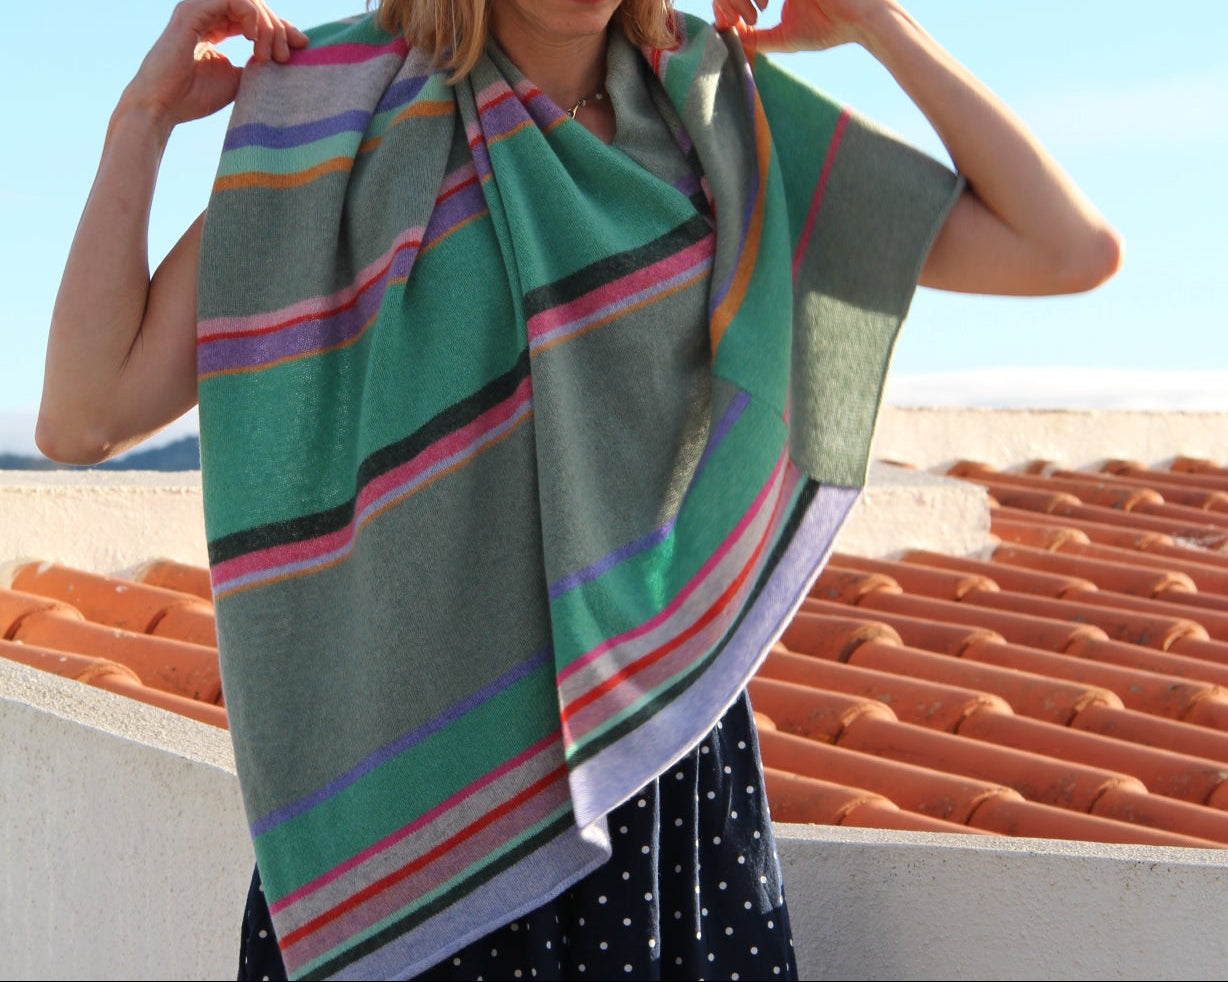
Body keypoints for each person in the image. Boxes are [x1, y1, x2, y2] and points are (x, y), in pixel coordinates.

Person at [37, 0, 1121, 979]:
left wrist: (879, 24)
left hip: (656, 763)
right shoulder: (338, 118)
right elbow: (83, 416)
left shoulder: (710, 114)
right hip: (406, 793)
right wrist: (141, 118)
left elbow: (1064, 248)